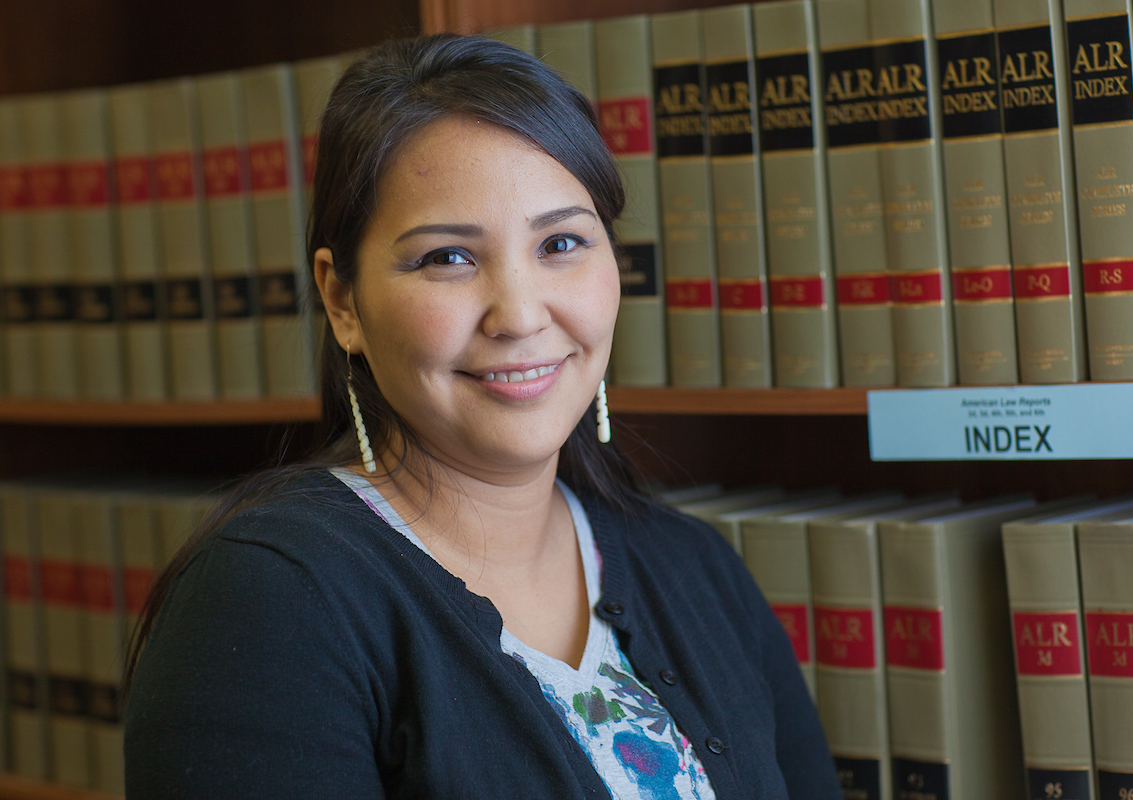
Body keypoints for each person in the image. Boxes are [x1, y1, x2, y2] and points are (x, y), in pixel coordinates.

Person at [123, 34, 841, 799]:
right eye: (449, 258)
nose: (520, 315)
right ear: (343, 302)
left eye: (561, 242)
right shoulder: (268, 601)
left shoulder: (693, 566)